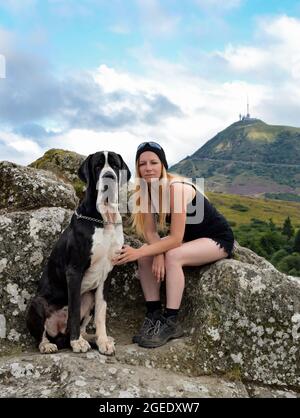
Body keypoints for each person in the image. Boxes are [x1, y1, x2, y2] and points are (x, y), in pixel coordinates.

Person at [112, 141, 234, 348]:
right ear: (138, 168)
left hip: (215, 239)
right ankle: (153, 315)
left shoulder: (176, 188)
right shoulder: (146, 192)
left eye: (153, 162)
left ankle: (171, 321)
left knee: (173, 256)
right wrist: (154, 253)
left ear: (163, 165)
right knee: (145, 254)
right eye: (142, 164)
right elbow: (150, 232)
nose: (148, 168)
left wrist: (160, 252)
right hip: (189, 240)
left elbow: (175, 238)